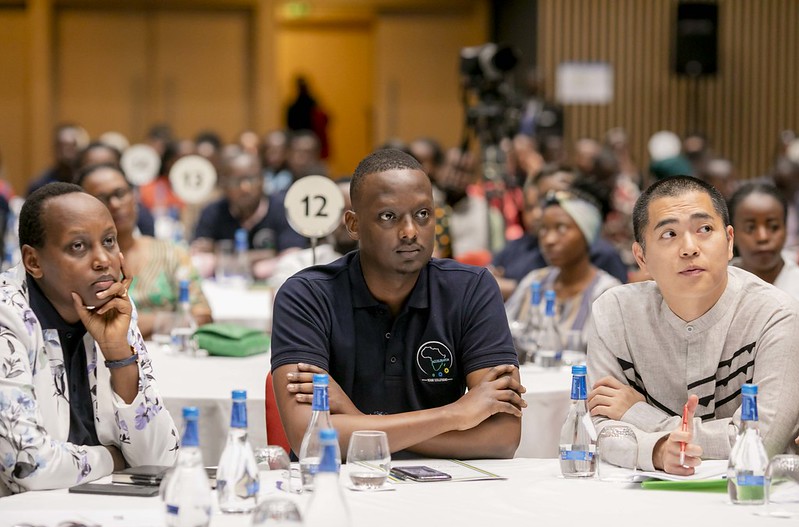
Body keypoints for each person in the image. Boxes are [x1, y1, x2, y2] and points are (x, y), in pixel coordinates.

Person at [270, 149, 526, 459]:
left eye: (423, 214)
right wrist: (455, 415)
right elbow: (308, 438)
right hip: (337, 482)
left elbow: (502, 437)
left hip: (449, 485)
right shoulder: (305, 296)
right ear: (353, 224)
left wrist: (357, 421)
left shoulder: (472, 289)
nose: (410, 232)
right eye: (388, 216)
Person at [587, 175, 799, 476]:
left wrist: (640, 417)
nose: (689, 248)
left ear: (729, 242)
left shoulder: (775, 315)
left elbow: (762, 441)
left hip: (750, 493)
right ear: (641, 257)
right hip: (643, 496)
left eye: (704, 229)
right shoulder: (614, 314)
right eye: (669, 234)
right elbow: (599, 428)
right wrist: (658, 452)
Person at [0, 183, 178, 495]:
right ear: (33, 262)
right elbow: (28, 467)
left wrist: (118, 353)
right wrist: (112, 459)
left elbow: (161, 459)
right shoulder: (8, 314)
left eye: (109, 241)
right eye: (78, 246)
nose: (103, 260)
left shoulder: (114, 307)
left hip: (99, 506)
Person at [76, 163, 212, 339]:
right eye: (101, 198)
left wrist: (142, 323)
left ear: (134, 197)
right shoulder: (79, 265)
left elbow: (202, 318)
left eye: (120, 193)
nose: (115, 204)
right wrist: (168, 321)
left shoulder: (171, 253)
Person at [505, 189, 620, 337]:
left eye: (562, 228)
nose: (549, 240)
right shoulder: (534, 283)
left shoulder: (606, 294)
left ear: (587, 234)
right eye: (543, 229)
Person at [192, 149, 307, 280]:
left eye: (251, 179)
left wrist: (222, 255)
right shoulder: (212, 211)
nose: (245, 188)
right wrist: (268, 255)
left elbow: (292, 257)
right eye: (236, 181)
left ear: (263, 180)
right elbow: (199, 258)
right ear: (224, 185)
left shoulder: (283, 209)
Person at [268, 179, 357, 291]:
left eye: (354, 210)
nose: (345, 221)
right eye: (340, 211)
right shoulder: (295, 265)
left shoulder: (376, 267)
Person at [728, 181, 799, 299]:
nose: (762, 237)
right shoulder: (716, 285)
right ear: (731, 235)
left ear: (786, 229)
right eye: (750, 228)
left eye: (773, 227)